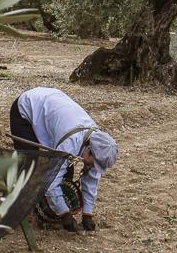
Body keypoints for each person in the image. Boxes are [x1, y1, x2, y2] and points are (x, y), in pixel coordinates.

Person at [8, 86, 118, 234]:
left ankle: (51, 209)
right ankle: (12, 202)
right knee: (28, 164)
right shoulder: (70, 143)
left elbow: (91, 178)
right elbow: (51, 179)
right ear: (89, 150)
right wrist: (65, 214)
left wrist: (87, 214)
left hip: (52, 104)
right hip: (28, 107)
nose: (93, 167)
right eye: (93, 163)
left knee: (66, 170)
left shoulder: (98, 142)